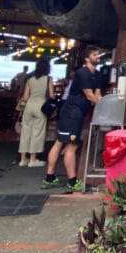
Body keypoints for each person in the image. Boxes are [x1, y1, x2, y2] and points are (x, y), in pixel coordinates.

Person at [43, 46, 103, 191]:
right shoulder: (82, 73)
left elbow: (97, 94)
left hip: (79, 112)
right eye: (95, 54)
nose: (98, 56)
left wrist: (101, 105)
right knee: (70, 145)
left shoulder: (97, 74)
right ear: (87, 59)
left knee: (60, 142)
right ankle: (72, 181)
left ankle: (50, 177)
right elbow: (89, 95)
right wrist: (104, 107)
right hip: (71, 112)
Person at [17, 59, 53, 167]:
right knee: (38, 132)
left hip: (29, 106)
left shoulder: (29, 79)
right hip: (40, 106)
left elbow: (25, 97)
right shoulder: (48, 79)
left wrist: (20, 109)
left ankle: (23, 159)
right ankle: (33, 159)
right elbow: (51, 95)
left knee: (25, 132)